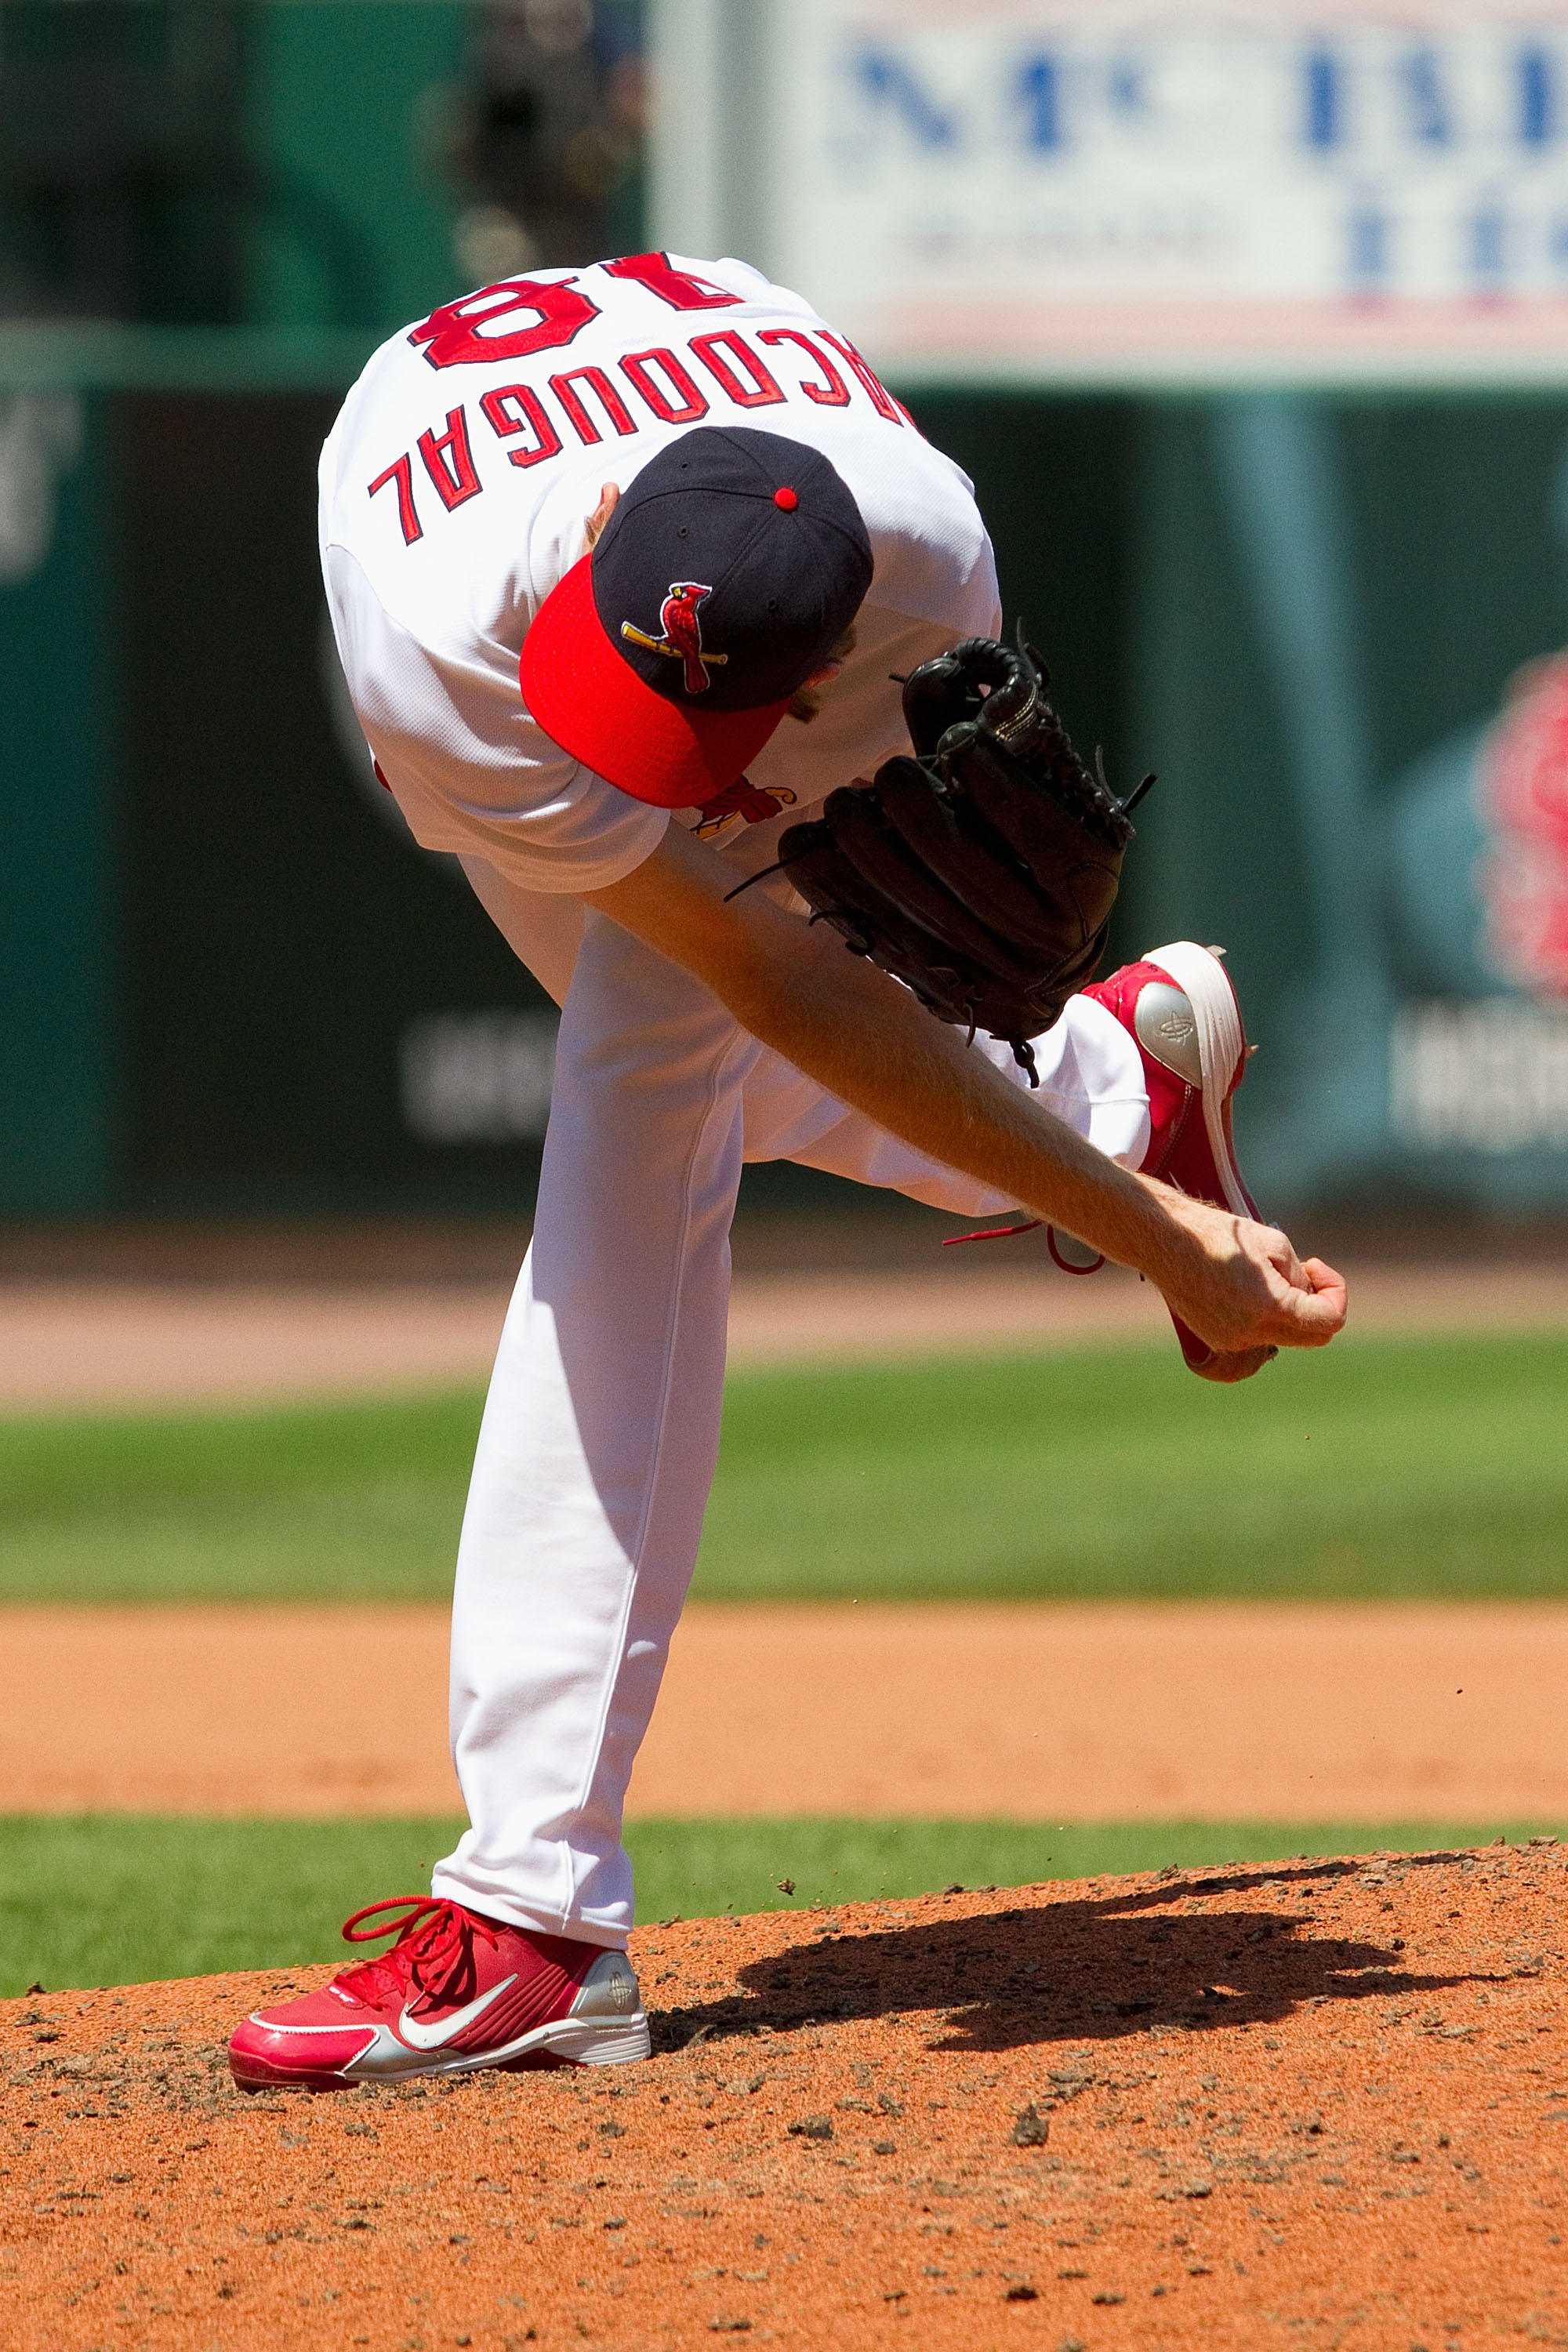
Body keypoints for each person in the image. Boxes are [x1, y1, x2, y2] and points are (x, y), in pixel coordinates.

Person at [227, 252, 1345, 2092]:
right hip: (455, 506)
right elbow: (773, 971)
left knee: (640, 1081)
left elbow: (769, 975)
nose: (662, 767)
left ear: (828, 654)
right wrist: (1160, 1237)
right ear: (602, 532)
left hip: (747, 441)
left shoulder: (924, 549)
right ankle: (1104, 1090)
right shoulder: (442, 653)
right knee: (705, 1025)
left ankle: (532, 1915)